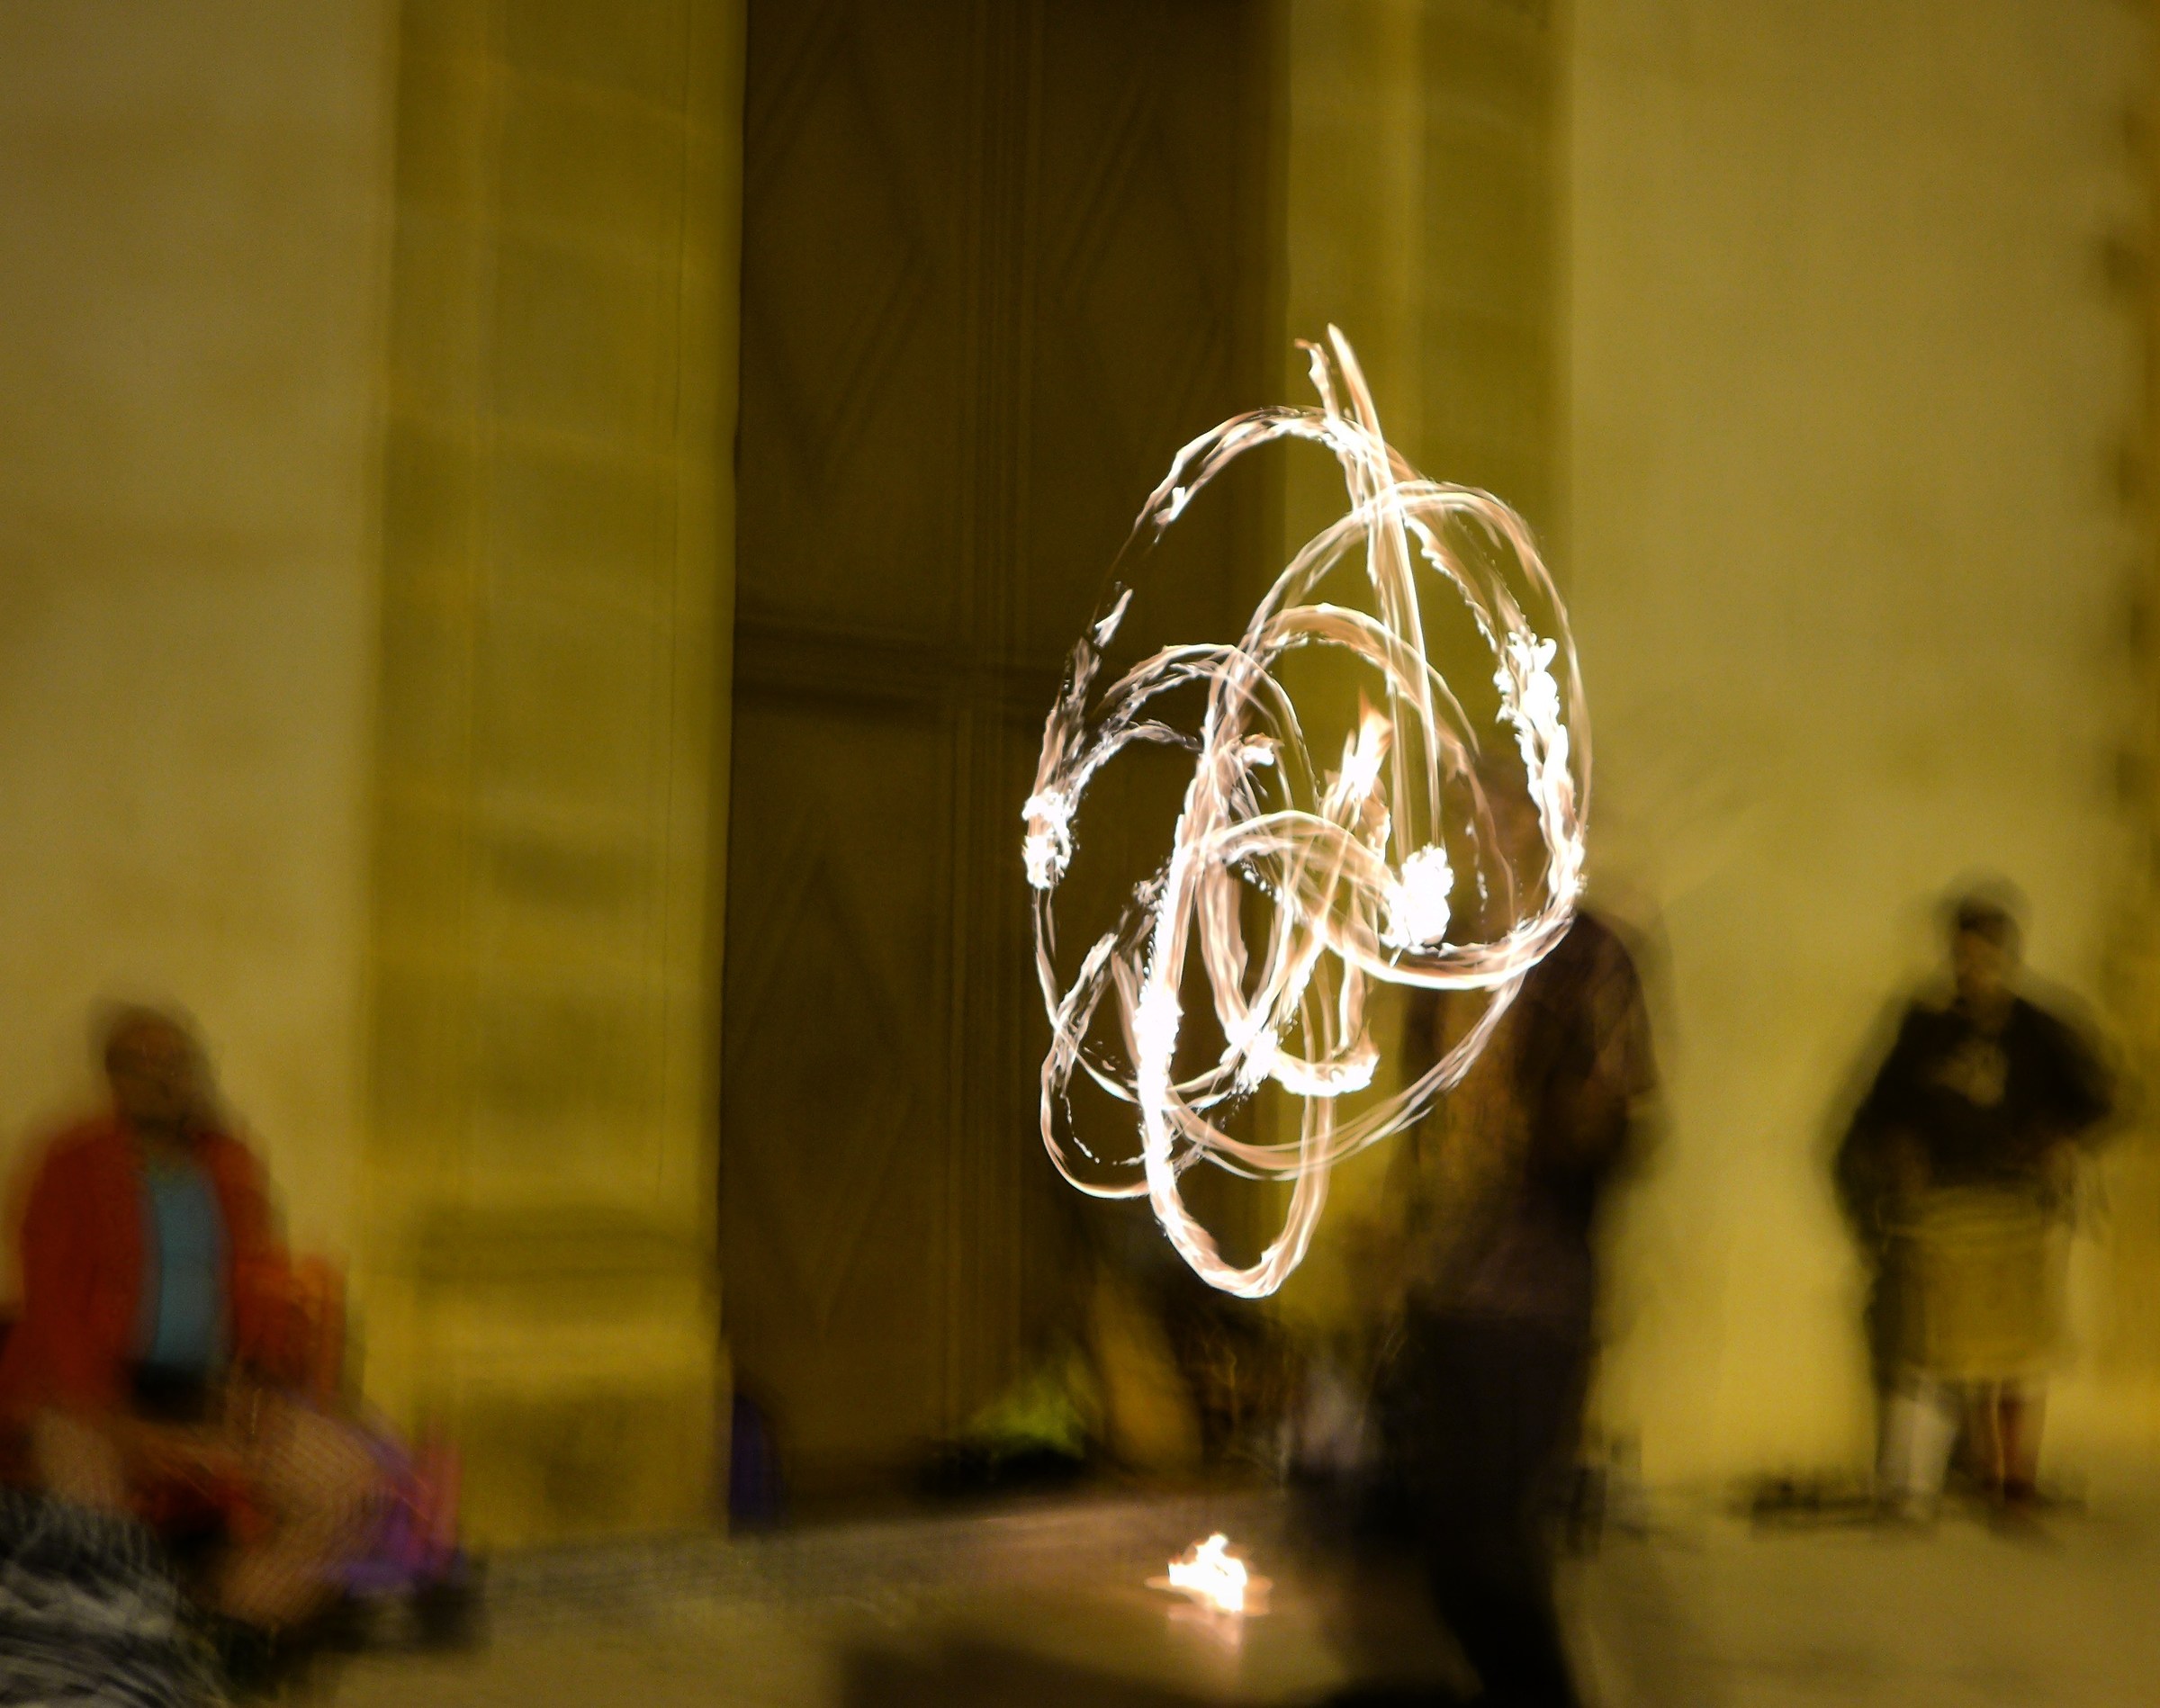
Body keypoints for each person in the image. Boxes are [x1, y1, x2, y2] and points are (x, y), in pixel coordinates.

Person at [1366, 822, 1658, 1707]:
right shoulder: (1444, 960)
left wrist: (1577, 1113)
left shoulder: (1590, 953)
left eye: (1503, 823)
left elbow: (1623, 1117)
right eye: (1469, 819)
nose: (1480, 840)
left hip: (1536, 1297)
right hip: (1448, 1292)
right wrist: (1399, 1234)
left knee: (1495, 1545)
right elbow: (1425, 1121)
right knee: (1454, 1548)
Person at [0, 1005, 378, 1636]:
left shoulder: (227, 1161)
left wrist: (257, 1381)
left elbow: (256, 1281)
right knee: (96, 1523)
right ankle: (112, 1656)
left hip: (203, 1395)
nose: (163, 1078)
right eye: (140, 1064)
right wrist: (130, 1432)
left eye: (177, 1062)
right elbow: (55, 1312)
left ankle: (227, 1626)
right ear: (111, 1078)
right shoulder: (70, 1164)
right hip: (87, 1399)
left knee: (349, 1482)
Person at [1840, 891, 2112, 1520]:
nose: (1971, 969)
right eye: (1962, 955)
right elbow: (1874, 1115)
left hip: (2019, 1211)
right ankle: (1923, 1482)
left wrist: (2058, 1139)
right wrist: (1898, 1153)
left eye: (1983, 955)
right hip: (1942, 1213)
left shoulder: (2041, 1029)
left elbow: (2102, 1097)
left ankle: (2010, 1479)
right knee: (1939, 1350)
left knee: (2017, 1356)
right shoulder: (1923, 1028)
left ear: (2005, 957)